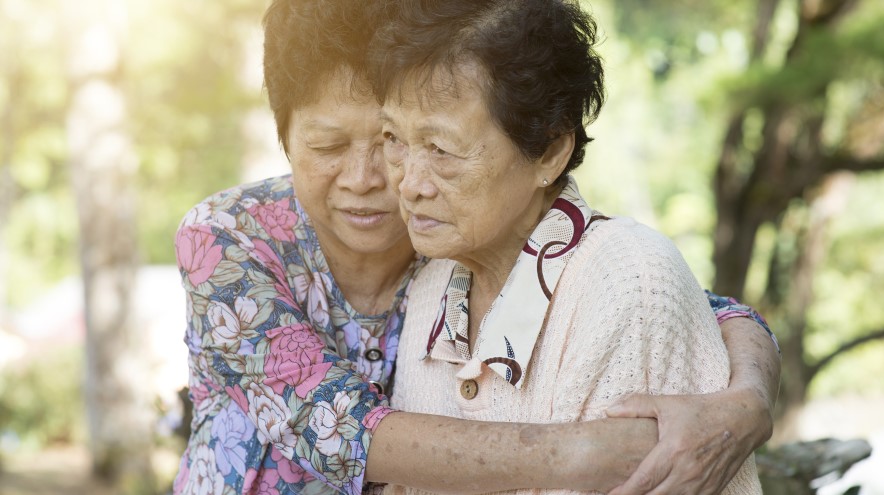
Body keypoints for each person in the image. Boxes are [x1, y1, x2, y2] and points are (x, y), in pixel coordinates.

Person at [172, 1, 780, 494]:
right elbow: (338, 431)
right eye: (328, 147)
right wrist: (584, 452)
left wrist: (747, 404)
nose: (371, 178)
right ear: (284, 139)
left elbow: (686, 302)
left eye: (394, 140)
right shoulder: (230, 239)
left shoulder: (451, 233)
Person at [371, 0, 767, 494]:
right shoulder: (432, 284)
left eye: (441, 149)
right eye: (393, 138)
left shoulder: (627, 282)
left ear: (551, 151)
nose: (408, 183)